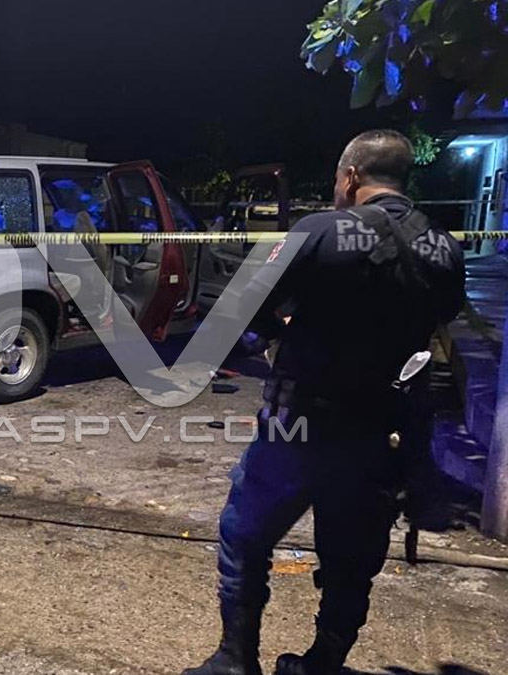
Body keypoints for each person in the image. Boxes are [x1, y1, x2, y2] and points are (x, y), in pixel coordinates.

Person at [182, 130, 465, 675]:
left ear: (351, 176)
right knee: (352, 558)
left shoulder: (319, 231)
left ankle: (235, 659)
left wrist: (279, 335)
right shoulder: (444, 248)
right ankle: (323, 663)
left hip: (301, 425)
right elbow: (442, 318)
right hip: (380, 430)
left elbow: (243, 303)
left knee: (244, 534)